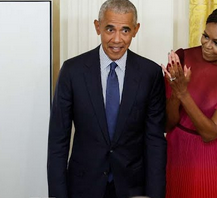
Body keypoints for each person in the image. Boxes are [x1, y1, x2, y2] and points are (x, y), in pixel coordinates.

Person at [47, 0, 167, 197]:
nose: (117, 39)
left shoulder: (150, 73)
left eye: (125, 31)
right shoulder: (72, 71)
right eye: (110, 29)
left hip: (132, 187)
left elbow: (154, 141)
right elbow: (58, 140)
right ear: (97, 27)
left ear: (136, 30)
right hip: (83, 186)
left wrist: (155, 194)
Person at [163, 5, 217, 198]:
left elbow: (210, 133)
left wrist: (183, 93)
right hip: (179, 151)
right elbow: (168, 123)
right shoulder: (182, 57)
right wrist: (175, 94)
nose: (207, 45)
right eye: (205, 36)